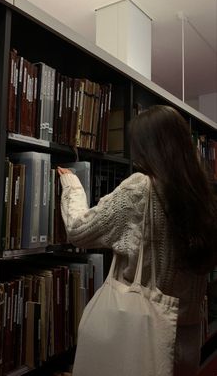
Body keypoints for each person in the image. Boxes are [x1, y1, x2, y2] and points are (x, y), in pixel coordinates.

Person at [58, 105, 217, 376]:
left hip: (142, 334)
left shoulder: (141, 189)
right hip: (187, 337)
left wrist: (72, 185)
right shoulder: (202, 193)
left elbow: (79, 230)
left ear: (147, 147)